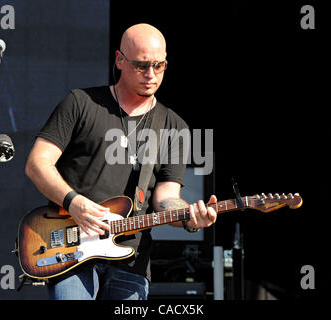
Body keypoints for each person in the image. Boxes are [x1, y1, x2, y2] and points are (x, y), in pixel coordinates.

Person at [25, 23, 217, 300]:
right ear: (119, 60)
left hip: (131, 258)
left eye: (159, 65)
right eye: (141, 66)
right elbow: (37, 163)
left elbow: (166, 199)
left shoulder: (174, 126)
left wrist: (191, 218)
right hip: (70, 248)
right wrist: (74, 202)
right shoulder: (81, 103)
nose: (151, 75)